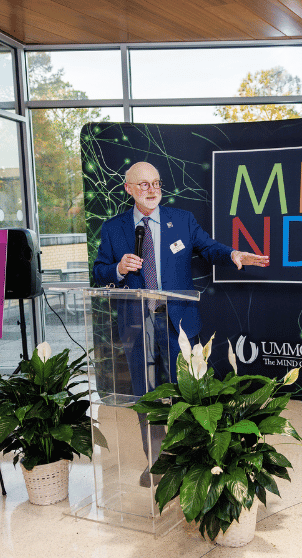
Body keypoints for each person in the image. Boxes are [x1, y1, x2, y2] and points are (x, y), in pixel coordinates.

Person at [93, 161, 268, 484]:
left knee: (189, 393)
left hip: (180, 324)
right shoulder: (113, 228)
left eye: (156, 183)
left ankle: (194, 459)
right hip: (137, 324)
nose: (152, 190)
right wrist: (117, 267)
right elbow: (99, 271)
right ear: (128, 189)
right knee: (148, 398)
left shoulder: (182, 220)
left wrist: (232, 255)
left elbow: (209, 248)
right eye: (143, 184)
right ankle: (158, 462)